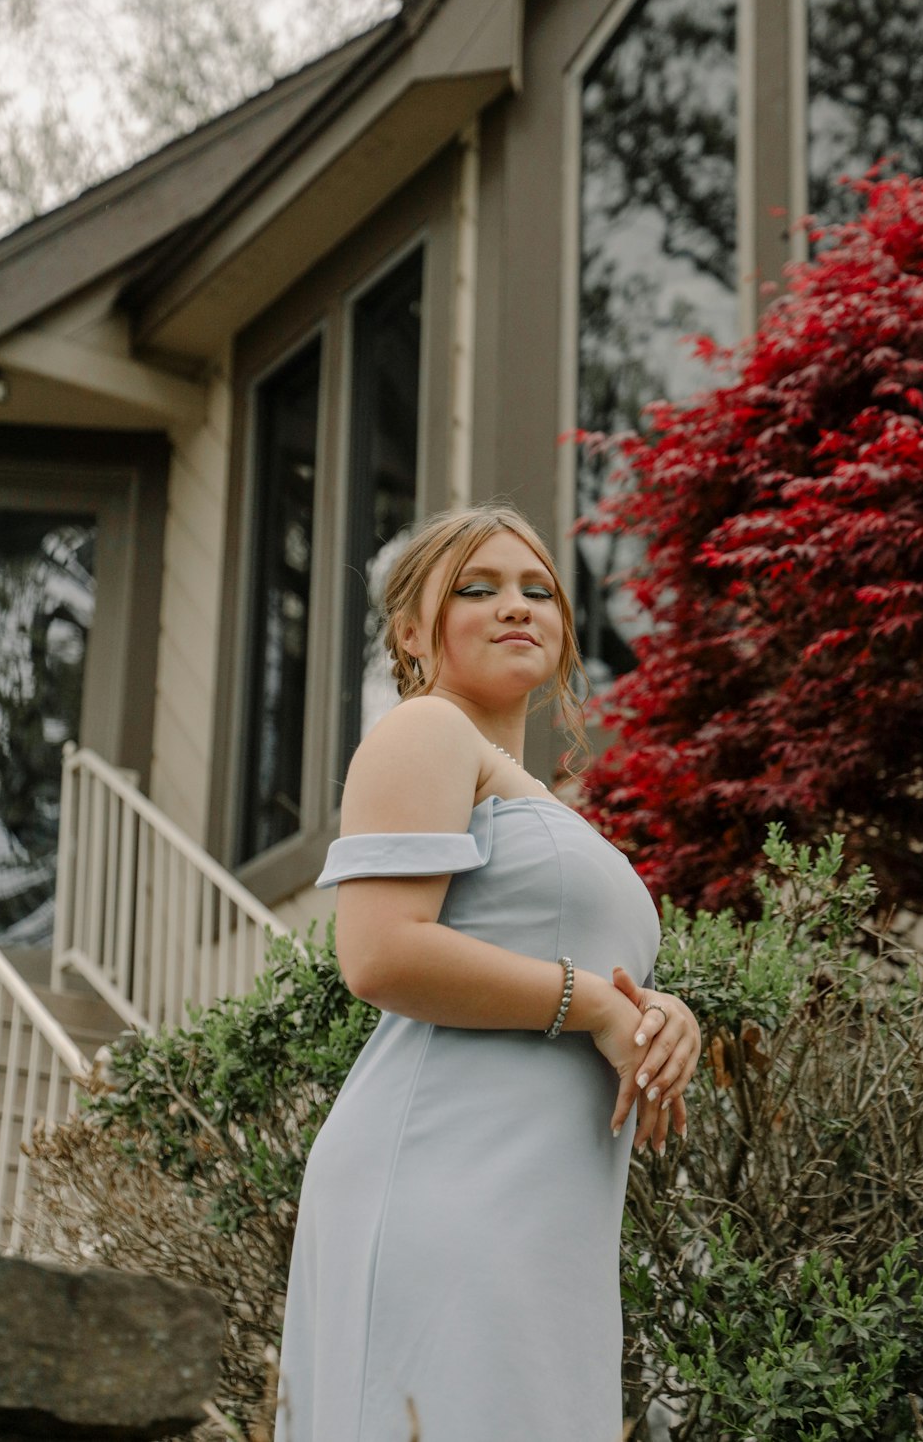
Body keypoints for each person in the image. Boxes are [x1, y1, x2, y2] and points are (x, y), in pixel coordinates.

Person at [275, 504, 702, 1442]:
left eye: (538, 589)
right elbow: (381, 951)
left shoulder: (545, 800)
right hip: (445, 1178)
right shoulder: (427, 730)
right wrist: (592, 1002)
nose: (517, 606)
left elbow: (574, 957)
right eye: (479, 587)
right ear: (413, 632)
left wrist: (662, 1014)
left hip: (547, 1209)